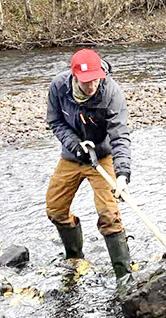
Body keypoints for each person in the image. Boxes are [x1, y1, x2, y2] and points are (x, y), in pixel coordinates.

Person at [46, 48, 133, 292]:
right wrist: (75, 144)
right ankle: (74, 258)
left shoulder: (111, 92)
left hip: (103, 157)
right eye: (86, 81)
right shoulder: (58, 87)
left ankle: (124, 278)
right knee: (55, 209)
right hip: (72, 156)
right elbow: (55, 121)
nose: (92, 84)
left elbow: (120, 135)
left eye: (95, 79)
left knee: (109, 214)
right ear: (74, 77)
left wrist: (123, 174)